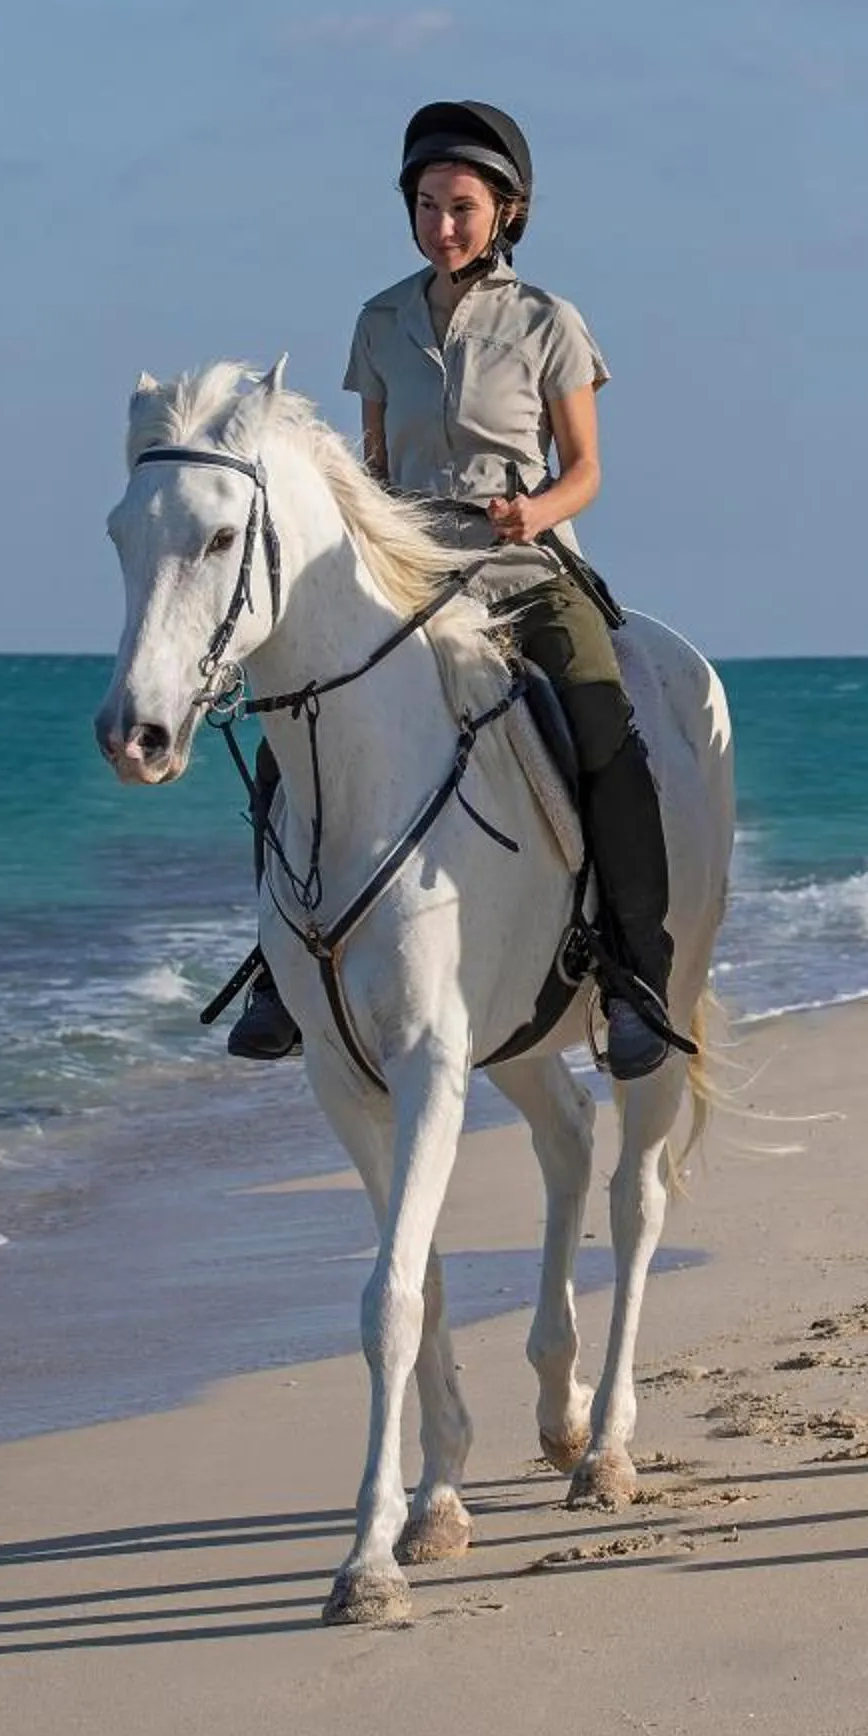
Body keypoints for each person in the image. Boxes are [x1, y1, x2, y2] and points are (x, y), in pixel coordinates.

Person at [226, 98, 678, 1082]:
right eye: (426, 206)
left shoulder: (547, 322)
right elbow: (376, 463)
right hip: (406, 571)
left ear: (507, 211)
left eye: (461, 207)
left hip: (522, 569)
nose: (441, 226)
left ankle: (634, 975)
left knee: (602, 725)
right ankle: (280, 965)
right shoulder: (378, 322)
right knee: (289, 729)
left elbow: (586, 469)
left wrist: (536, 513)